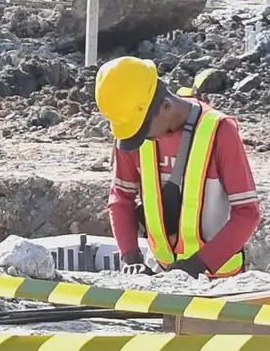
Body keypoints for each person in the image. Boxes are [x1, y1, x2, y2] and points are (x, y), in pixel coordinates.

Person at [95, 55, 258, 278]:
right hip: (162, 275)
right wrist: (130, 257)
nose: (140, 139)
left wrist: (199, 264)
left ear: (165, 106)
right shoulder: (134, 133)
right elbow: (121, 198)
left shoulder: (220, 132)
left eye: (142, 131)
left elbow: (247, 214)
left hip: (221, 282)